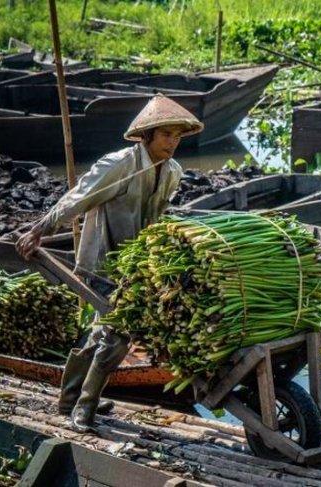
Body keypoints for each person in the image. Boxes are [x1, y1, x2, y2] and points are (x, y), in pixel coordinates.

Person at [16, 94, 204, 432]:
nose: (173, 143)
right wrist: (40, 229)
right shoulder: (119, 164)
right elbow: (78, 197)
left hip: (134, 267)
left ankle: (70, 397)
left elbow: (158, 217)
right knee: (118, 336)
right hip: (101, 262)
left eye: (177, 136)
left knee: (103, 332)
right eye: (166, 135)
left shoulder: (173, 171)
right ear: (147, 136)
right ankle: (84, 408)